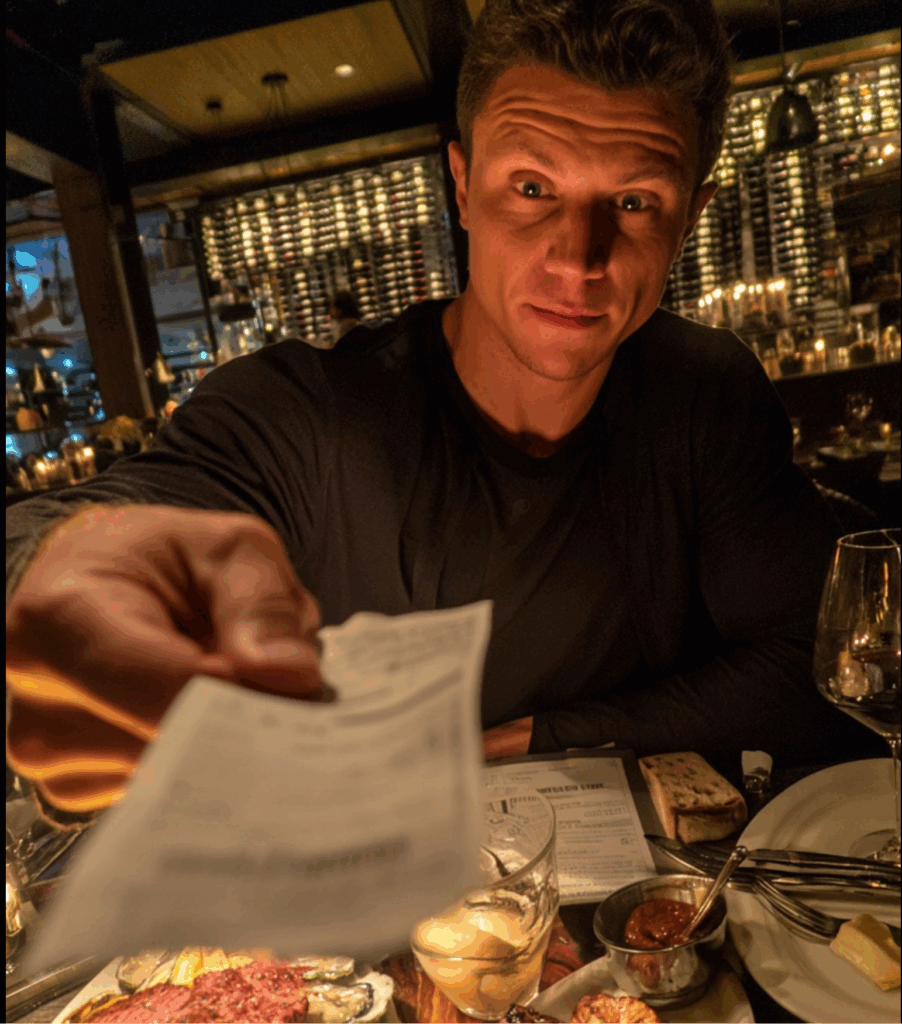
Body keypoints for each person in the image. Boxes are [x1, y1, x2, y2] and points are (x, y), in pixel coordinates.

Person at [5, 0, 879, 820]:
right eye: (531, 188)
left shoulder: (704, 392)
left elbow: (826, 675)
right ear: (461, 187)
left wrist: (542, 737)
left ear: (690, 217)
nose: (578, 259)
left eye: (633, 201)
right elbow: (51, 539)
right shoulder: (306, 413)